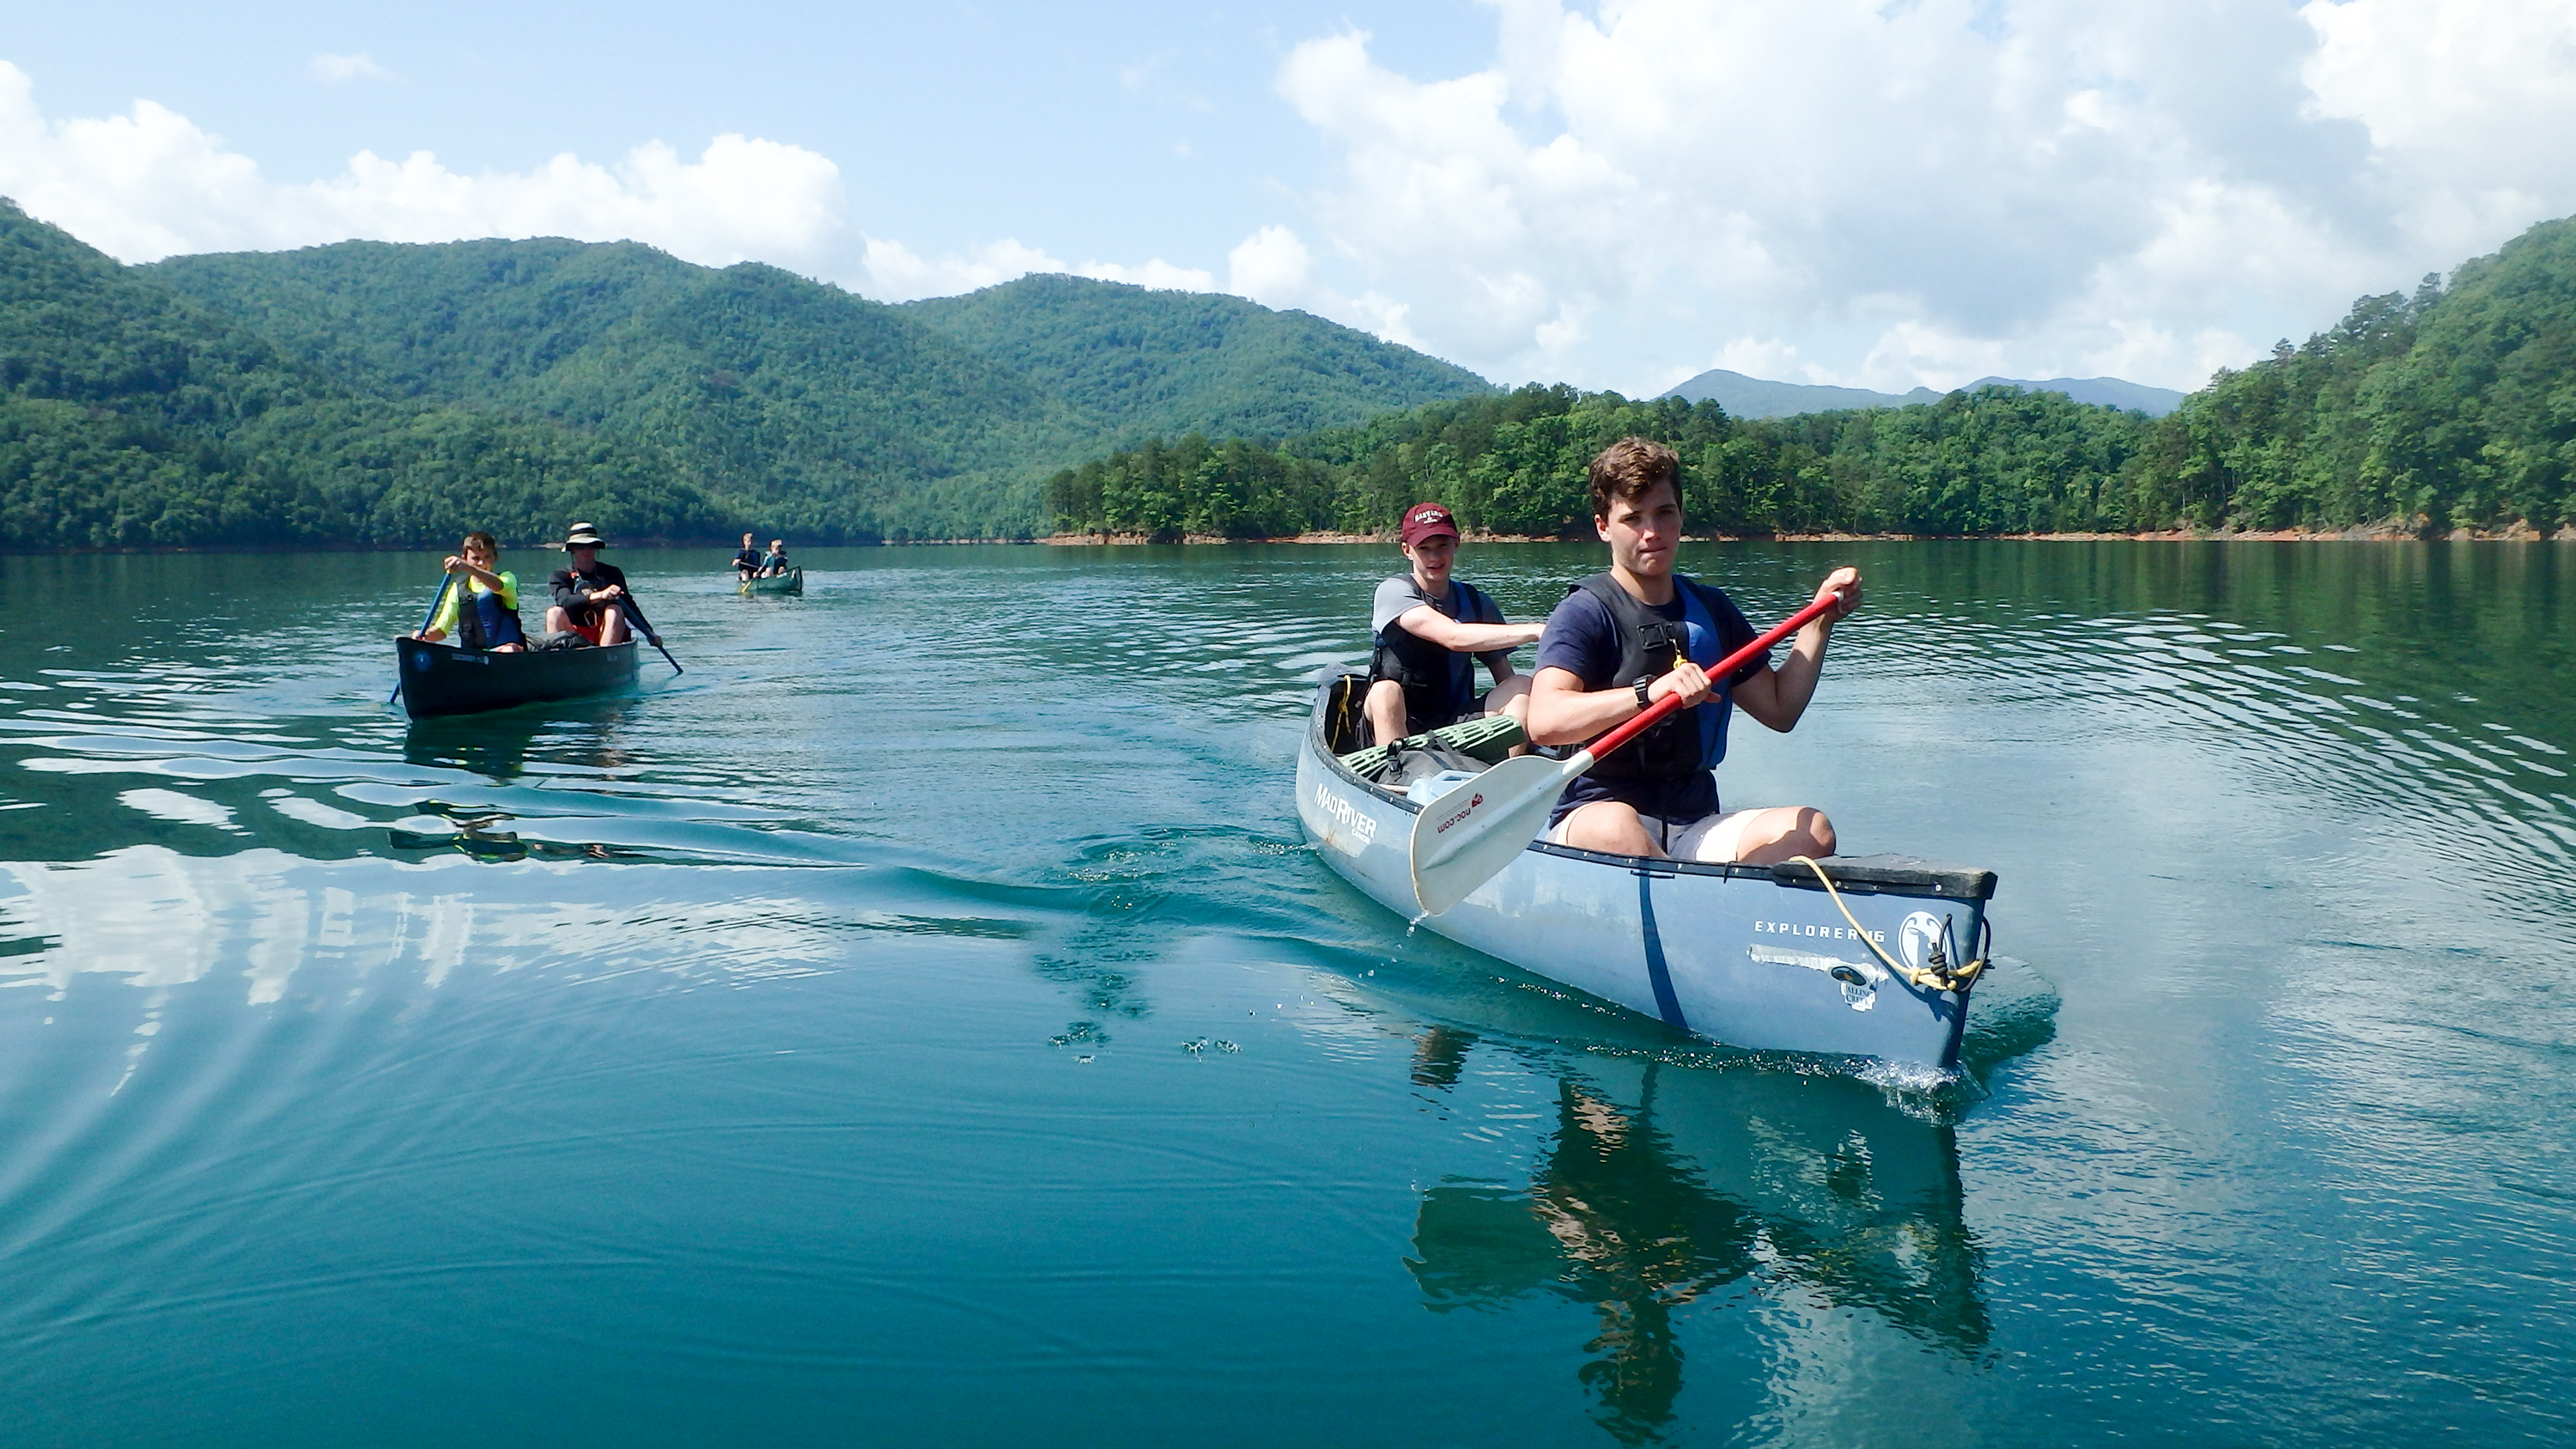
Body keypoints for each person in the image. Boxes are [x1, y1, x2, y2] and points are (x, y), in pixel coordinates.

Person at [1524, 438, 1861, 863]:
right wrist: (1648, 693)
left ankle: (1711, 908)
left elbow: (1780, 709)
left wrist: (1819, 619)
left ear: (1680, 516)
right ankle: (1699, 907)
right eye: (1633, 519)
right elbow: (1543, 721)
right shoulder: (1584, 612)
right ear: (1603, 526)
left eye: (1664, 513)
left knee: (1812, 831)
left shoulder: (1712, 609)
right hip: (1596, 813)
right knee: (1618, 830)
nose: (1652, 533)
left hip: (1693, 818)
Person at [1364, 502, 1545, 747]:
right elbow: (1453, 636)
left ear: (1456, 544)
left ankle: (1511, 776)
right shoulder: (1393, 591)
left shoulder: (1477, 603)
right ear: (1407, 550)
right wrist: (1537, 630)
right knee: (1386, 692)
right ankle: (1395, 774)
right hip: (1403, 720)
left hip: (1457, 722)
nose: (1434, 557)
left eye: (1442, 546)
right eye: (1424, 548)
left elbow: (1504, 677)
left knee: (1522, 686)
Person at [544, 522, 664, 649]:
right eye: (580, 547)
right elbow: (564, 601)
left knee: (615, 610)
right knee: (554, 612)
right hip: (575, 636)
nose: (586, 550)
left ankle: (605, 654)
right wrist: (600, 595)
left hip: (606, 632)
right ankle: (558, 657)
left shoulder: (612, 573)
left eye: (590, 546)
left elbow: (629, 606)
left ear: (596, 547)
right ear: (572, 550)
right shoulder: (560, 575)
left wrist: (649, 633)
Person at [412, 530, 526, 652]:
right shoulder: (458, 589)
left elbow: (497, 586)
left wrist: (468, 568)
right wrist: (424, 635)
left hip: (505, 653)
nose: (482, 563)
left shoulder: (507, 578)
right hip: (473, 657)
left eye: (487, 557)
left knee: (510, 650)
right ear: (464, 559)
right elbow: (441, 630)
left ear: (495, 557)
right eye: (476, 558)